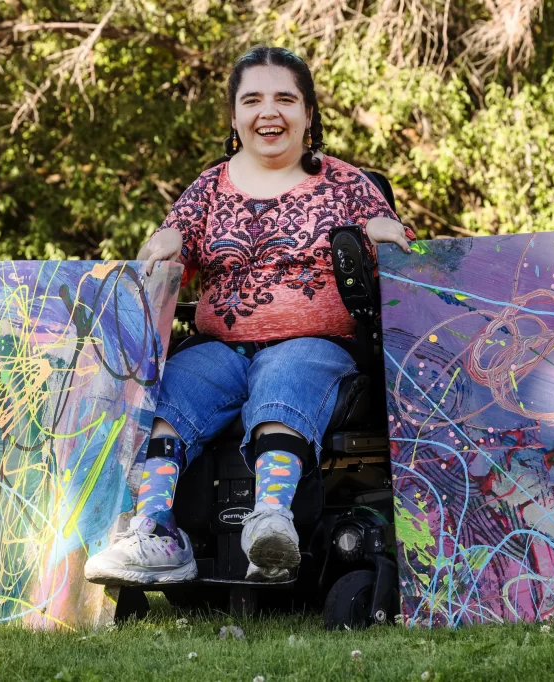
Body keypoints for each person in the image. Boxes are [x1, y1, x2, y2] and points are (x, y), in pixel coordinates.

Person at [84, 46, 414, 585]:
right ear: (235, 116)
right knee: (171, 396)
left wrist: (382, 236)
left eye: (286, 98)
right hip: (221, 345)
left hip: (314, 341)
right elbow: (173, 254)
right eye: (253, 99)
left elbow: (399, 256)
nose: (269, 112)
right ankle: (154, 532)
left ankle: (271, 522)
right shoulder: (207, 189)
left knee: (285, 378)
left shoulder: (348, 185)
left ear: (309, 113)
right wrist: (169, 241)